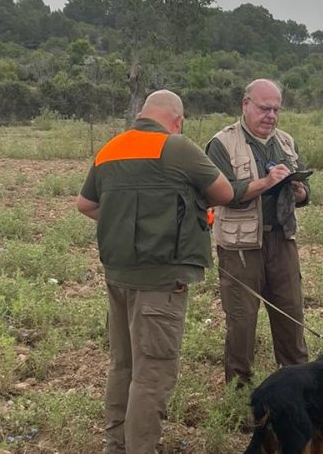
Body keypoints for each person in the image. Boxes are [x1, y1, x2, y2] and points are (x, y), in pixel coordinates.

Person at [76, 90, 233, 454]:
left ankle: (116, 446)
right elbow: (224, 192)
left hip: (118, 276)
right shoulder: (176, 147)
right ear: (177, 120)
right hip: (162, 281)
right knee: (153, 374)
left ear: (142, 113)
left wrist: (123, 219)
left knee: (123, 366)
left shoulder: (111, 148)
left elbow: (85, 204)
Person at [206, 79, 310, 387]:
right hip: (240, 247)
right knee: (242, 322)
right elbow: (220, 193)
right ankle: (240, 393)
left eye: (276, 109)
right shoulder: (222, 143)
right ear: (245, 104)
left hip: (281, 239)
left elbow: (306, 195)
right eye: (264, 108)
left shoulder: (286, 143)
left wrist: (299, 190)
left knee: (291, 316)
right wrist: (265, 183)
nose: (271, 116)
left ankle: (296, 387)